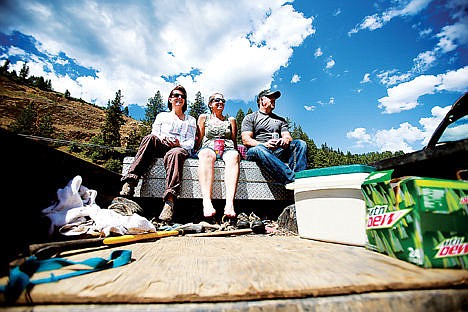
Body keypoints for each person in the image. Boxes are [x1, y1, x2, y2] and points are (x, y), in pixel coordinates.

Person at [120, 85, 197, 222]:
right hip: (161, 145)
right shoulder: (162, 116)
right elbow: (155, 133)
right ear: (170, 99)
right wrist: (163, 139)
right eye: (176, 95)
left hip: (178, 149)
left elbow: (190, 143)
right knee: (149, 138)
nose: (179, 98)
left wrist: (178, 143)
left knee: (175, 153)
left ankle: (169, 202)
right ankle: (131, 181)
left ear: (185, 101)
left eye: (182, 96)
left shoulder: (190, 120)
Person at [241, 89, 307, 185]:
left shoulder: (281, 120)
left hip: (276, 152)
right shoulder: (250, 117)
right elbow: (246, 140)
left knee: (300, 144)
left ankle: (299, 177)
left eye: (274, 98)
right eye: (270, 97)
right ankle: (293, 180)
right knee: (259, 149)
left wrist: (284, 141)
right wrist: (264, 144)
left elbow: (288, 137)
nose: (274, 99)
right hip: (256, 152)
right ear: (261, 100)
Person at [196, 93, 240, 218]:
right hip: (209, 146)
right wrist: (195, 150)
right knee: (205, 154)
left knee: (233, 156)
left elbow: (233, 138)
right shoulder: (204, 118)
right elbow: (200, 138)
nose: (220, 102)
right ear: (210, 104)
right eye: (216, 100)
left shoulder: (230, 120)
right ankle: (207, 202)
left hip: (227, 147)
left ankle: (229, 204)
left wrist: (237, 153)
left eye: (223, 100)